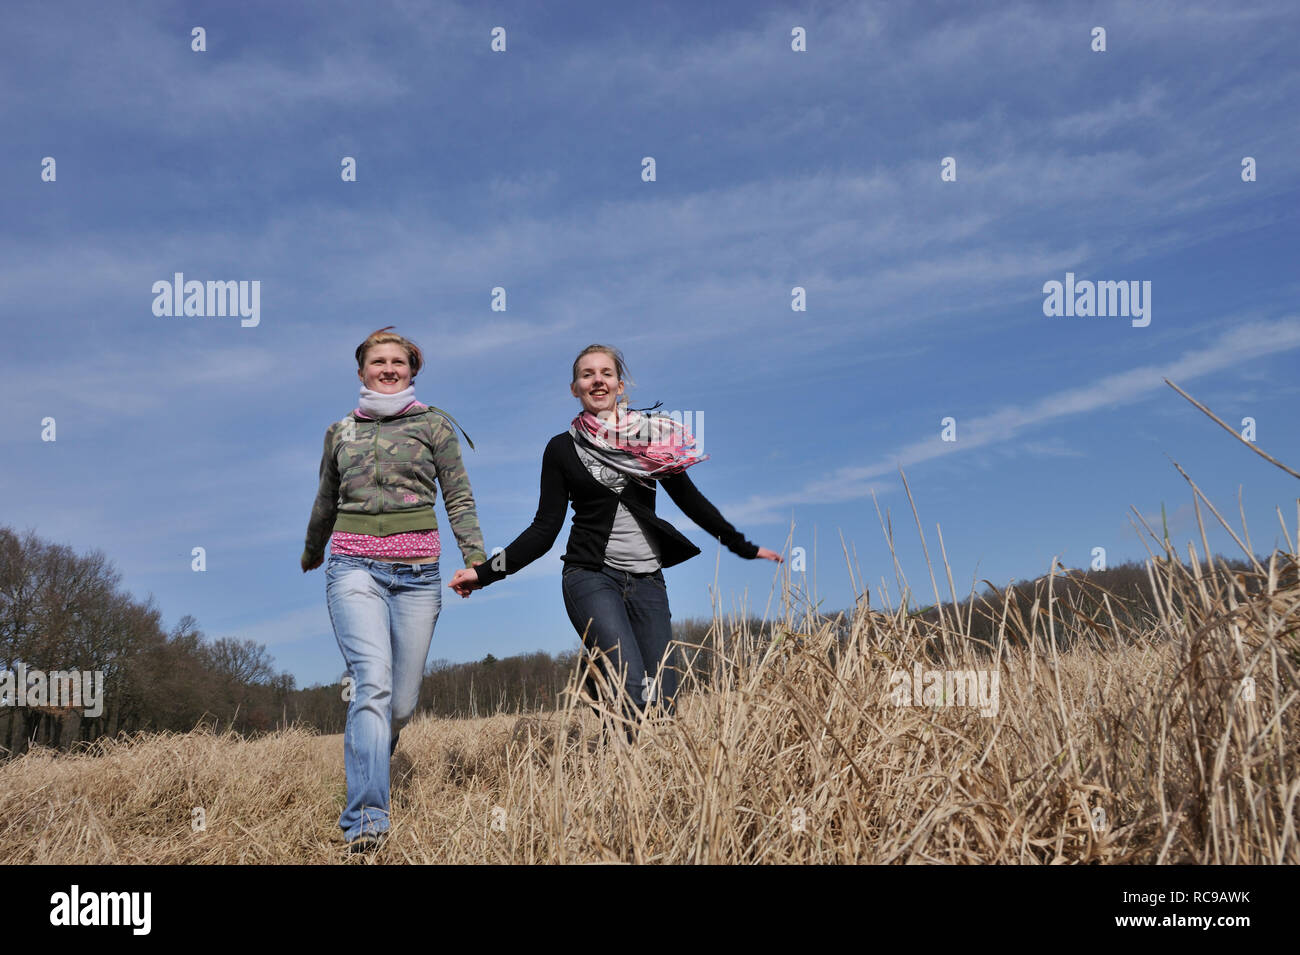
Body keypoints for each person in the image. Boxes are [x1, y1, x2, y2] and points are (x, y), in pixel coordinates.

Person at [449, 344, 781, 740]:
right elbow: (543, 529)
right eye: (587, 374)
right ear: (575, 388)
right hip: (590, 577)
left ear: (620, 385)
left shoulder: (650, 440)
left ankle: (631, 764)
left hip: (647, 580)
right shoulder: (561, 448)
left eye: (605, 373)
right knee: (632, 685)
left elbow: (691, 502)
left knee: (663, 701)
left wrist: (742, 546)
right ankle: (611, 702)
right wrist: (484, 574)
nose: (597, 380)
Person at [301, 326, 487, 852]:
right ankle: (366, 822)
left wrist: (476, 558)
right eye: (378, 361)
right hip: (354, 566)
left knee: (400, 704)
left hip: (419, 575)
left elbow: (459, 495)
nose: (388, 369)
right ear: (361, 371)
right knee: (372, 683)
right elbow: (325, 498)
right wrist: (314, 550)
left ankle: (374, 755)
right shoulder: (339, 432)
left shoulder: (434, 426)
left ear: (412, 370)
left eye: (398, 362)